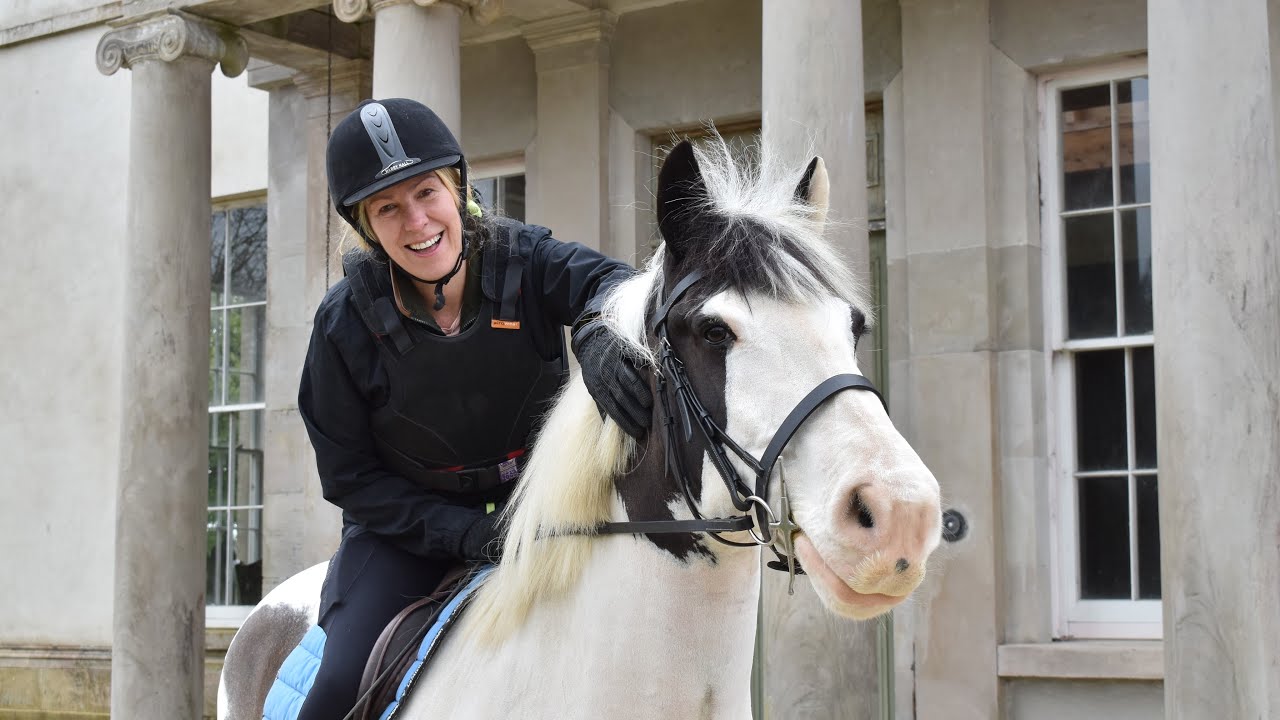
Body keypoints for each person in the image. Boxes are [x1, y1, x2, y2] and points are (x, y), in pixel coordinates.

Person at [296, 97, 651, 720]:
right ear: (365, 226)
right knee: (333, 691)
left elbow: (619, 286)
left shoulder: (528, 259)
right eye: (388, 207)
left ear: (457, 187)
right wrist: (463, 531)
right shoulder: (340, 327)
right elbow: (350, 480)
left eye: (426, 192)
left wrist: (598, 329)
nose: (416, 221)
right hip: (404, 536)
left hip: (546, 506)